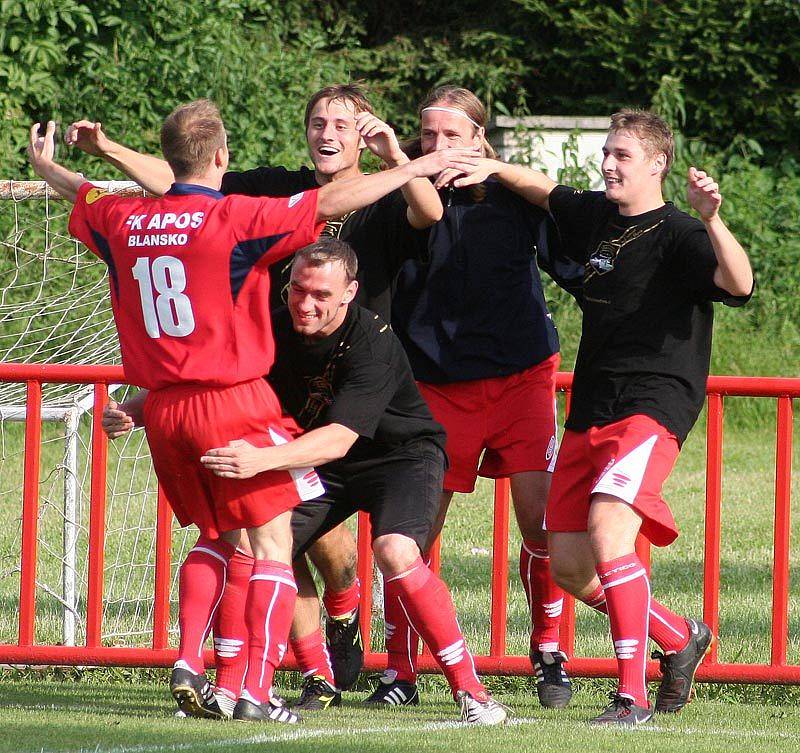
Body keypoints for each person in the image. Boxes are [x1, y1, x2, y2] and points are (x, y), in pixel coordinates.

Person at [28, 100, 477, 724]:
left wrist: (47, 166)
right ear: (221, 158)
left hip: (164, 410)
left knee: (222, 540)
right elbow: (327, 205)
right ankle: (254, 691)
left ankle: (193, 658)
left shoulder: (124, 218)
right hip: (232, 397)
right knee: (270, 546)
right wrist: (415, 165)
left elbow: (86, 195)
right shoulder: (234, 219)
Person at [449, 109, 753, 725]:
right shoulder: (599, 218)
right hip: (590, 409)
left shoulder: (680, 233)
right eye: (607, 152)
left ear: (657, 165)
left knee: (611, 531)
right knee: (568, 566)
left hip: (654, 405)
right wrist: (493, 167)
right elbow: (547, 191)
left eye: (622, 156)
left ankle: (630, 697)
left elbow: (739, 283)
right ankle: (678, 635)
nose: (608, 164)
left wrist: (712, 218)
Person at [199, 238, 509, 726]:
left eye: (321, 294)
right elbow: (215, 376)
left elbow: (339, 439)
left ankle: (474, 694)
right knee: (255, 542)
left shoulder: (374, 339)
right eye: (298, 289)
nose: (306, 303)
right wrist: (136, 409)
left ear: (350, 293)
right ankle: (242, 685)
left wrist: (260, 460)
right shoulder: (273, 326)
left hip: (399, 456)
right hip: (319, 459)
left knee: (395, 552)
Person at [384, 85, 583, 710]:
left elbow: (579, 260)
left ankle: (549, 652)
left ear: (478, 139)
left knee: (541, 517)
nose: (437, 148)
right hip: (435, 386)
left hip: (522, 375)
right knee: (412, 533)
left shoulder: (513, 195)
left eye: (451, 136)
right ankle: (400, 670)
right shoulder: (399, 195)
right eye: (428, 136)